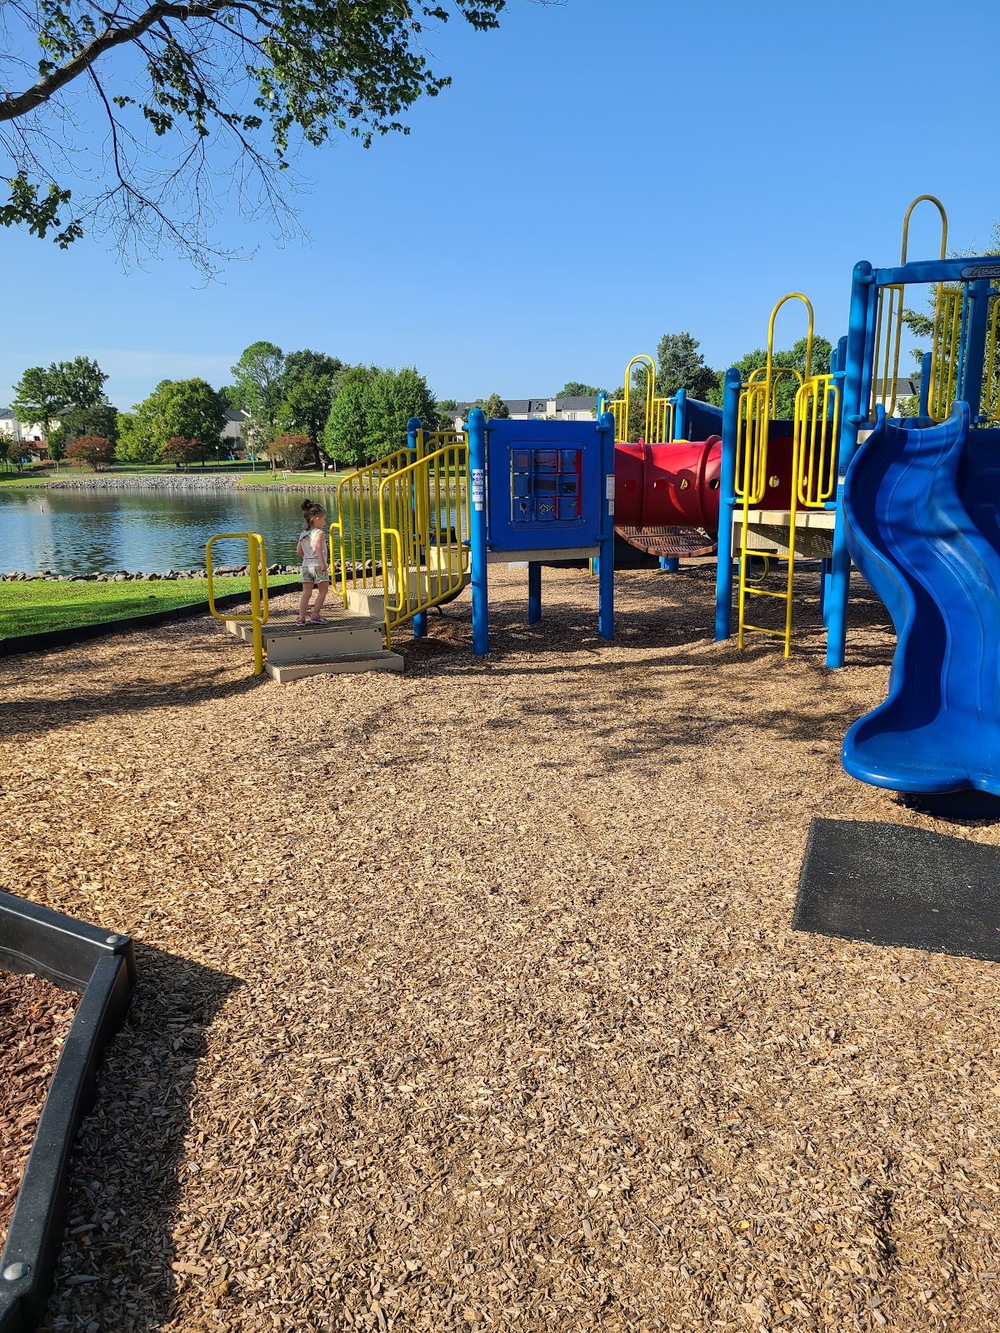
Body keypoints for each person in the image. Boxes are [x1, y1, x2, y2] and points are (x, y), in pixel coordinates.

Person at [296, 500, 330, 625]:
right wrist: (323, 563)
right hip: (317, 565)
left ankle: (301, 617)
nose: (325, 522)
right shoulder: (319, 533)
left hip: (306, 565)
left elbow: (299, 551)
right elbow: (317, 546)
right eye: (324, 519)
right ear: (317, 519)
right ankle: (315, 614)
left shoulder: (303, 534)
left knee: (306, 592)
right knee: (323, 591)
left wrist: (307, 558)